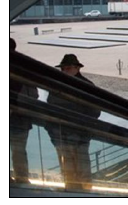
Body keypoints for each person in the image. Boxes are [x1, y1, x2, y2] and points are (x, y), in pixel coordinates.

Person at [46, 54, 102, 191]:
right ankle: (73, 192)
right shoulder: (60, 85)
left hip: (78, 136)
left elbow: (94, 112)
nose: (64, 70)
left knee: (80, 169)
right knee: (69, 169)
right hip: (63, 136)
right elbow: (50, 109)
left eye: (68, 68)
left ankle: (83, 193)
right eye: (63, 68)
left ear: (77, 68)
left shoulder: (85, 86)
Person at [10, 40, 38, 185]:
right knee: (19, 151)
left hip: (18, 118)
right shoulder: (24, 68)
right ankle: (22, 179)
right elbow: (33, 95)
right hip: (20, 119)